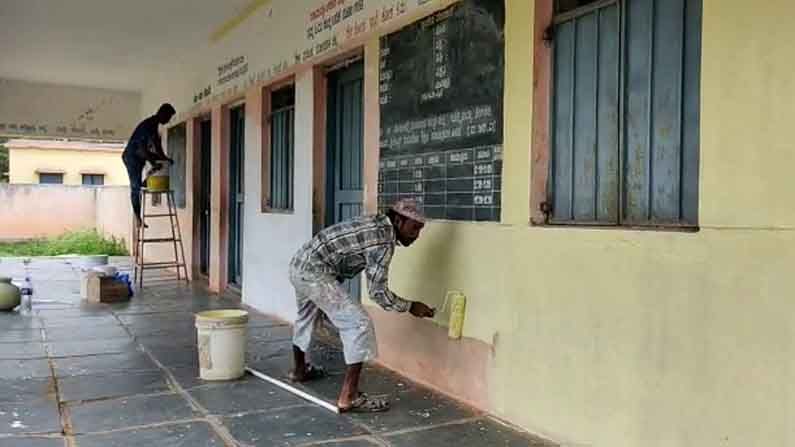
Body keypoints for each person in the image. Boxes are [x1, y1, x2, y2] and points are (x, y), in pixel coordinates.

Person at [288, 198, 436, 413]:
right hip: (314, 273)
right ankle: (350, 397)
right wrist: (410, 306)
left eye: (420, 230)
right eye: (413, 229)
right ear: (398, 220)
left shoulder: (376, 222)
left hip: (299, 265)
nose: (416, 236)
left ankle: (299, 370)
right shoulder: (383, 241)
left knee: (306, 317)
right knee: (358, 323)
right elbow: (378, 293)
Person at [122, 103, 176, 227]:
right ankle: (137, 218)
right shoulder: (147, 125)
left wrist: (165, 159)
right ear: (162, 113)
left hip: (141, 156)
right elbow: (142, 149)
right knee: (135, 187)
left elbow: (158, 148)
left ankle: (145, 180)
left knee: (161, 164)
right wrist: (153, 163)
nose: (168, 121)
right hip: (131, 157)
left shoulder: (155, 127)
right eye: (168, 118)